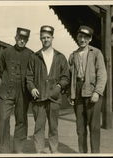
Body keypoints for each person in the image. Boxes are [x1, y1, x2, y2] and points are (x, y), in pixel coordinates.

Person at [26, 25, 70, 153]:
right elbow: (29, 77)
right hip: (39, 98)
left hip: (54, 98)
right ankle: (39, 151)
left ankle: (54, 151)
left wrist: (58, 87)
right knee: (39, 128)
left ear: (52, 38)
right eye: (43, 38)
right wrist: (32, 88)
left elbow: (66, 77)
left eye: (48, 37)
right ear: (40, 39)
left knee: (53, 127)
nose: (45, 40)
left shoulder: (60, 57)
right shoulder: (35, 57)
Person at [68, 25, 107, 153]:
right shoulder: (73, 55)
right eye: (80, 36)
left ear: (90, 39)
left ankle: (95, 154)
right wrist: (71, 94)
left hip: (92, 92)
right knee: (80, 128)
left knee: (94, 127)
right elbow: (70, 76)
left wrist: (97, 91)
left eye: (86, 37)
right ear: (77, 37)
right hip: (78, 93)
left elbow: (102, 74)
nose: (82, 40)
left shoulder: (96, 53)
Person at [0, 27, 33, 153]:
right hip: (7, 90)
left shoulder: (31, 54)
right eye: (20, 38)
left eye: (24, 39)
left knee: (21, 119)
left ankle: (18, 149)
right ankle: (4, 149)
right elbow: (0, 70)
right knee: (3, 119)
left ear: (27, 40)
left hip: (23, 92)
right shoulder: (6, 52)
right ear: (15, 37)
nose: (21, 41)